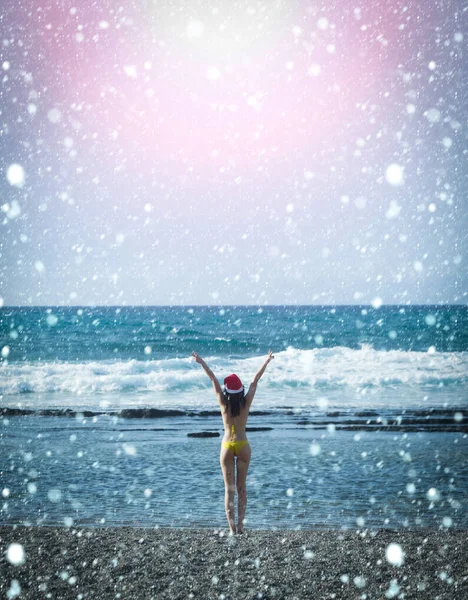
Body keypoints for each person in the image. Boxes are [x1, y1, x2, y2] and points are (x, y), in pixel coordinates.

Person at [192, 350, 274, 535]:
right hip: (243, 445)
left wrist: (201, 361)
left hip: (227, 446)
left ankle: (231, 529)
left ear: (228, 391)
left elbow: (213, 379)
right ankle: (241, 527)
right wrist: (266, 361)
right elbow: (255, 381)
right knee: (241, 489)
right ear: (241, 390)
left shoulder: (223, 403)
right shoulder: (246, 404)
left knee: (229, 490)